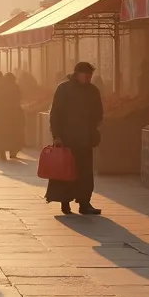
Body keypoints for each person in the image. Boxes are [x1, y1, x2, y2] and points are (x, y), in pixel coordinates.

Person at [45, 62, 104, 216]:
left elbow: (99, 112)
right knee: (66, 171)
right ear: (77, 74)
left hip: (85, 139)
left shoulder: (92, 91)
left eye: (90, 75)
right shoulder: (64, 89)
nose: (89, 78)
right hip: (67, 139)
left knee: (85, 172)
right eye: (86, 75)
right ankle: (65, 203)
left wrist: (94, 127)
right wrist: (56, 135)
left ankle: (84, 203)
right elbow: (55, 114)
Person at [0, 73, 25, 160]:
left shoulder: (0, 87)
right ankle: (11, 152)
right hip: (11, 115)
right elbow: (19, 98)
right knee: (10, 135)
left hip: (1, 115)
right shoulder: (11, 87)